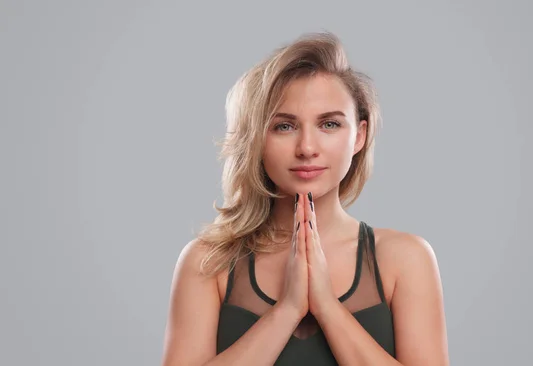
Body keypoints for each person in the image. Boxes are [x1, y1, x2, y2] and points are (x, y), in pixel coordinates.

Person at [161, 31, 449, 366]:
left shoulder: (406, 259)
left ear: (360, 135)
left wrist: (327, 306)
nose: (307, 148)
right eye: (284, 126)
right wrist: (287, 310)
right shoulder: (207, 262)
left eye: (329, 124)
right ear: (256, 139)